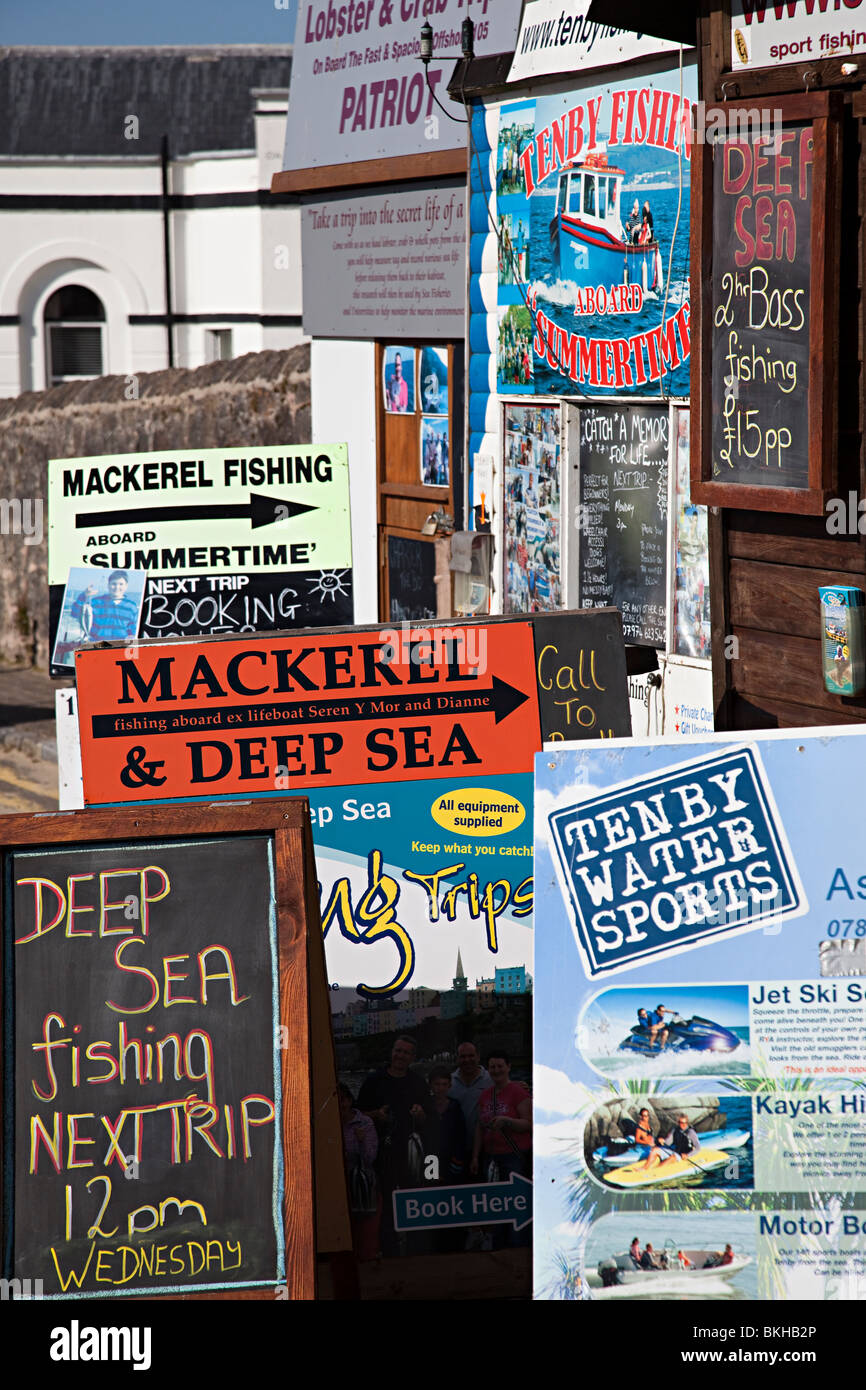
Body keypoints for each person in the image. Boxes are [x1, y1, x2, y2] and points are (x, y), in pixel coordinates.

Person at [358, 1036, 433, 1255]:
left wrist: (420, 1114)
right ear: (392, 1052)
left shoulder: (418, 1082)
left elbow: (429, 1118)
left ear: (412, 1058)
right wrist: (376, 1115)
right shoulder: (373, 1080)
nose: (400, 1056)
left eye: (405, 1052)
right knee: (386, 1207)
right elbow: (357, 1113)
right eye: (397, 1050)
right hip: (382, 1155)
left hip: (411, 1155)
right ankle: (389, 1252)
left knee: (413, 1201)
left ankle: (414, 1251)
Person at [471, 1051, 532, 1248]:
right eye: (492, 1067)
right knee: (494, 1205)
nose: (496, 1070)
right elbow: (480, 1127)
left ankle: (517, 1245)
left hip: (513, 1156)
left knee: (515, 1205)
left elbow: (528, 1124)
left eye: (500, 1066)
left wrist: (507, 1121)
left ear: (508, 1067)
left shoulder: (518, 1092)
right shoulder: (485, 1095)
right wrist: (475, 1157)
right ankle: (498, 1245)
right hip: (491, 1157)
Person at [338, 1083, 379, 1262]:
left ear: (349, 1100)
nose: (341, 1104)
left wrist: (361, 1141)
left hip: (363, 1187)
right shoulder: (326, 1122)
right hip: (338, 1188)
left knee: (366, 1233)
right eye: (337, 1100)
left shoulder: (365, 1122)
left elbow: (370, 1158)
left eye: (344, 1099)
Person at [71, 570, 139, 641]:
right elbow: (75, 613)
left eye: (121, 584)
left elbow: (132, 627)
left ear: (126, 586)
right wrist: (84, 596)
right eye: (113, 584)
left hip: (120, 645)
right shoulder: (95, 602)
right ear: (108, 585)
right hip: (96, 643)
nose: (117, 587)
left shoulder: (131, 606)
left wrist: (132, 637)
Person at [449, 1041, 490, 1145]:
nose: (467, 1060)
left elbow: (507, 1089)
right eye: (463, 1056)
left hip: (486, 1145)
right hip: (456, 1145)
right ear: (457, 1058)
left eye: (471, 1056)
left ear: (478, 1057)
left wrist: (520, 1086)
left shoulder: (490, 1079)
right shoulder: (449, 1082)